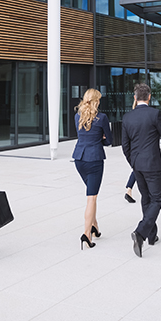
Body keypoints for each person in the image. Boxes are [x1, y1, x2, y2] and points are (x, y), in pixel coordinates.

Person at [122, 83, 161, 258]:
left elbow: (125, 146)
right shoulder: (154, 114)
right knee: (157, 199)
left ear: (135, 98)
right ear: (149, 97)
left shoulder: (127, 117)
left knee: (146, 198)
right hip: (152, 165)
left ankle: (151, 235)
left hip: (137, 166)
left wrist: (133, 162)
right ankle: (141, 233)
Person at [72, 88, 112, 249]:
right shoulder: (101, 118)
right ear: (96, 101)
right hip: (94, 159)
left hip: (79, 159)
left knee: (90, 193)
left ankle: (94, 226)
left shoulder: (77, 116)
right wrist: (100, 139)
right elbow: (109, 141)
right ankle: (87, 234)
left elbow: (82, 135)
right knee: (92, 197)